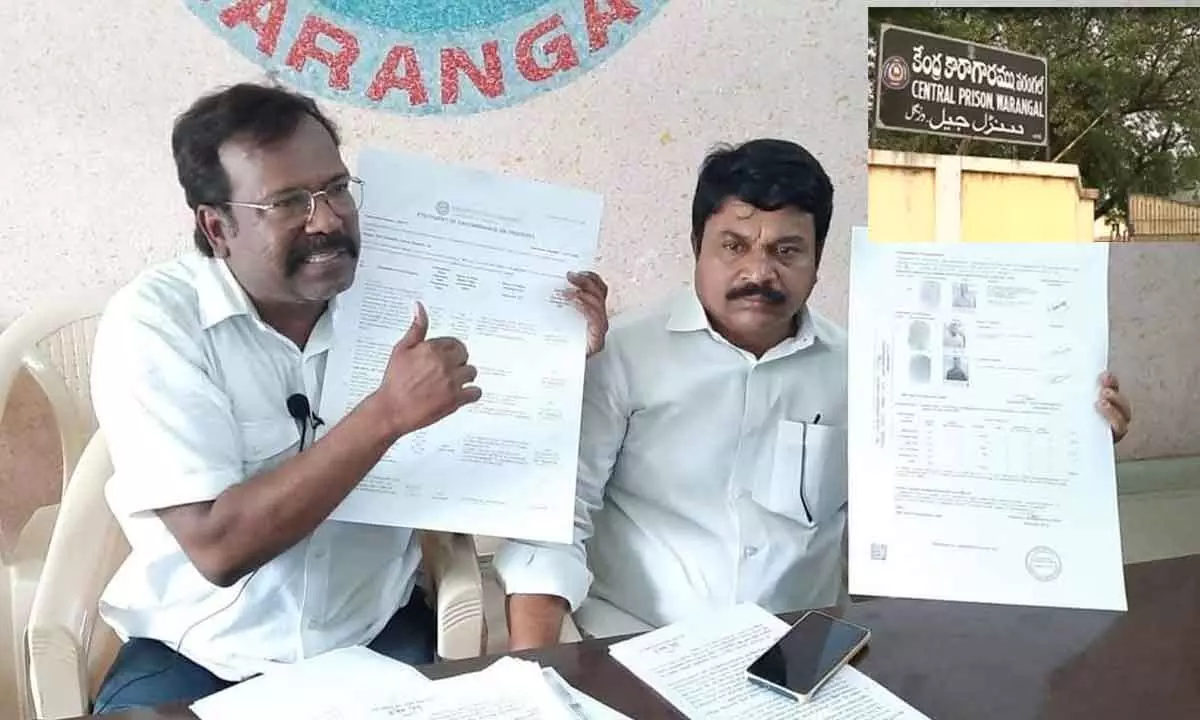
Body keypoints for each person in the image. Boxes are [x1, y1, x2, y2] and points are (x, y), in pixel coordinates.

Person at [88, 83, 609, 713]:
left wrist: (551, 352)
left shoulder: (405, 286)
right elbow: (219, 547)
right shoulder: (155, 324)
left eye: (336, 188)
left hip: (374, 635)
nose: (327, 219)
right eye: (287, 203)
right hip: (198, 651)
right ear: (217, 225)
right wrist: (385, 416)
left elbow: (488, 430)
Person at [494, 138, 1134, 648]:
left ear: (819, 260)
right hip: (636, 644)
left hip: (803, 652)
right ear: (697, 248)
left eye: (787, 250)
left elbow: (957, 485)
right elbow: (556, 520)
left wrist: (1069, 438)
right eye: (734, 246)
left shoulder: (868, 368)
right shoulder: (623, 355)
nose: (759, 272)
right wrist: (536, 677)